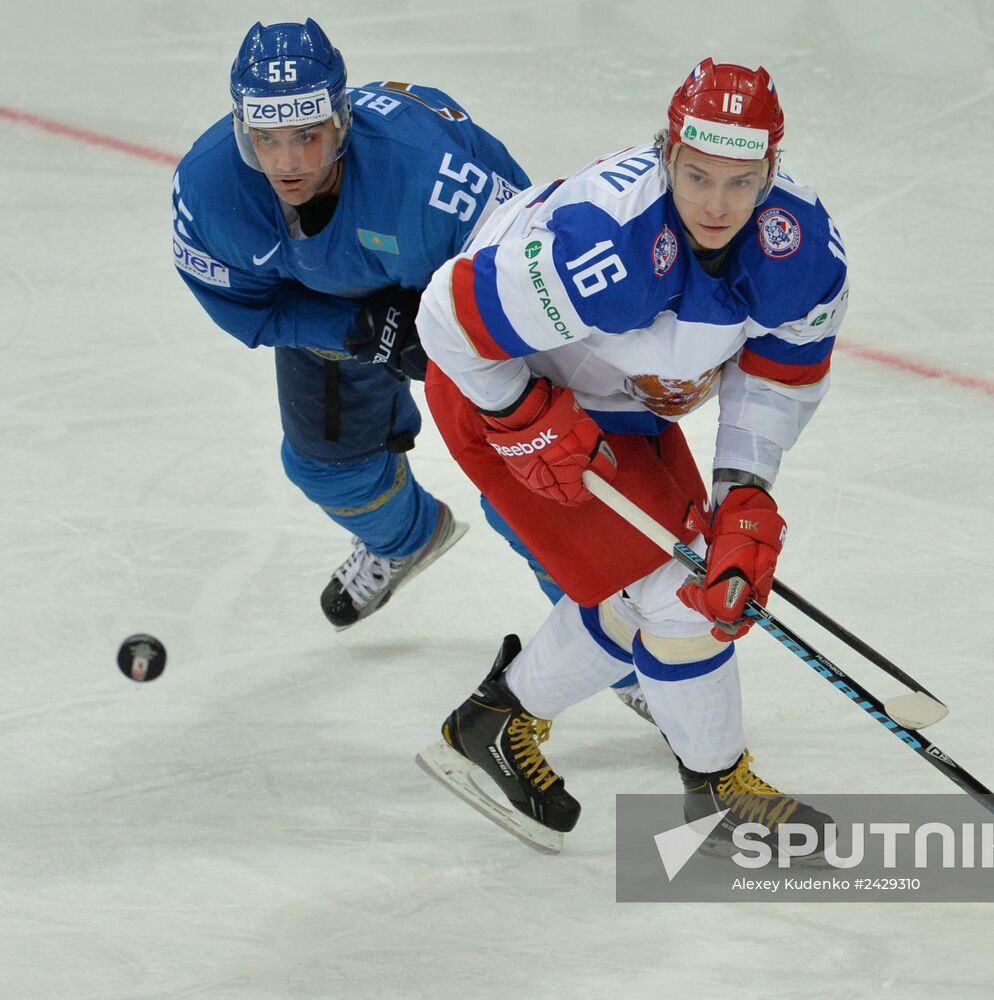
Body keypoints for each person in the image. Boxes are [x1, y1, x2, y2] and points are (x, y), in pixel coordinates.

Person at [414, 59, 849, 852]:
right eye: (696, 175)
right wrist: (520, 417)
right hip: (499, 392)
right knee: (682, 595)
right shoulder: (606, 245)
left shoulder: (802, 250)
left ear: (771, 172)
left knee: (662, 582)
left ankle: (493, 724)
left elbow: (776, 376)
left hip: (616, 404)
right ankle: (718, 797)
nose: (716, 204)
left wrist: (745, 492)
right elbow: (446, 318)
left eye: (740, 182)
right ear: (666, 154)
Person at [170, 19, 529, 628]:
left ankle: (611, 639)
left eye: (307, 136)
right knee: (327, 464)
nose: (287, 163)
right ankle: (407, 538)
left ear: (342, 121)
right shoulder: (208, 190)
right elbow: (253, 308)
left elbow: (525, 281)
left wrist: (445, 331)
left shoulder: (431, 177)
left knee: (531, 492)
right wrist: (359, 325)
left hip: (462, 280)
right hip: (333, 294)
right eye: (265, 139)